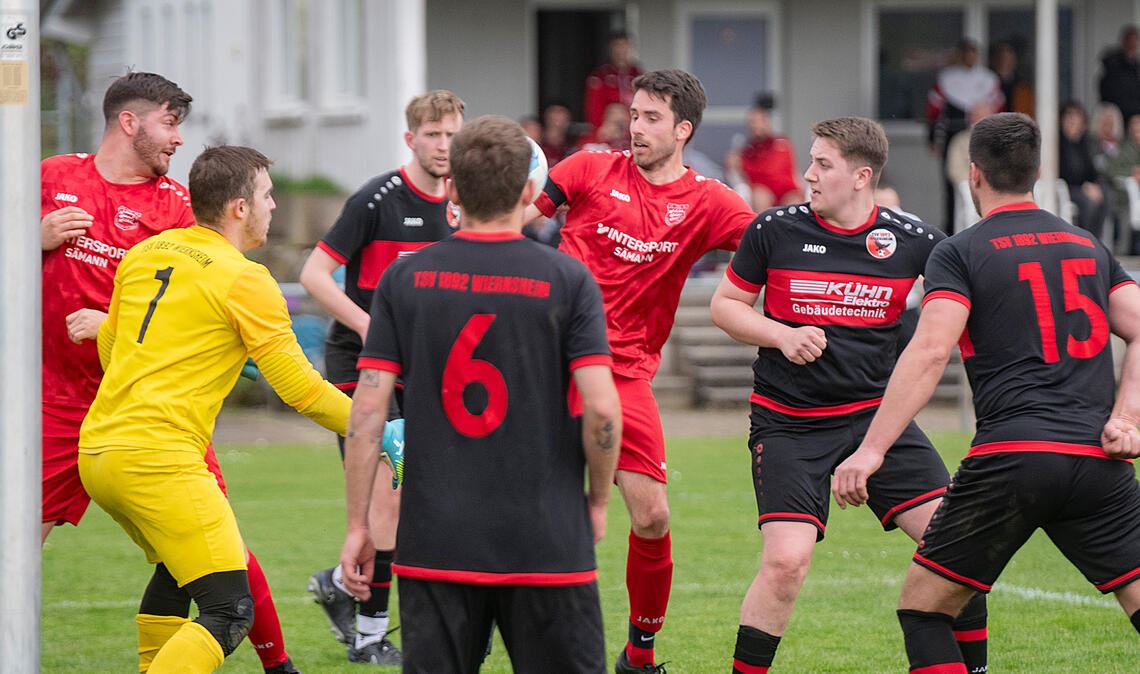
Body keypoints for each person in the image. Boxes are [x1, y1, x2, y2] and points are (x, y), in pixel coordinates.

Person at [833, 111, 1140, 672]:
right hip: (1097, 461)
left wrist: (871, 450)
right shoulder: (1086, 244)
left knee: (924, 610)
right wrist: (1127, 418)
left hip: (1012, 459)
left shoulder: (959, 251)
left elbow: (928, 352)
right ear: (1038, 170)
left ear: (973, 174)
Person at [339, 115, 621, 673]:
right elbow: (603, 408)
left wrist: (359, 526)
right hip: (546, 539)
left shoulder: (405, 279)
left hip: (435, 542)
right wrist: (597, 501)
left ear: (453, 189)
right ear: (528, 190)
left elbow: (368, 411)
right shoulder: (568, 279)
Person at [41, 72, 300, 674]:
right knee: (17, 543)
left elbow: (191, 295)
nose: (179, 139)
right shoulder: (53, 177)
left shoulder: (180, 209)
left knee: (219, 551)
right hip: (57, 399)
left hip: (149, 406)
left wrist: (110, 323)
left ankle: (279, 665)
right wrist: (28, 237)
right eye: (170, 122)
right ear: (129, 122)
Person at [710, 117, 987, 674]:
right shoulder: (775, 230)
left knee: (958, 552)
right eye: (811, 161)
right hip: (789, 423)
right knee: (787, 564)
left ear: (861, 176)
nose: (807, 175)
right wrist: (780, 334)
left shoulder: (916, 242)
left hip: (875, 420)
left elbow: (966, 309)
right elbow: (725, 306)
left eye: (822, 164)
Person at [78, 145, 359, 673]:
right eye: (267, 196)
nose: (273, 206)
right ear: (238, 208)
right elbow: (301, 390)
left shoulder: (148, 252)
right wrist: (373, 427)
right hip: (158, 458)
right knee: (229, 610)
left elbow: (112, 348)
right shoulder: (245, 278)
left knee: (175, 572)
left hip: (99, 452)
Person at [525, 68, 756, 673]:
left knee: (651, 516)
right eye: (634, 114)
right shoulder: (587, 168)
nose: (637, 128)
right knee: (535, 511)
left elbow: (767, 247)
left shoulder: (708, 201)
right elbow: (519, 216)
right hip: (548, 365)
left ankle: (640, 654)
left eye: (652, 118)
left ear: (684, 130)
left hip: (625, 374)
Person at [299, 89, 465, 665]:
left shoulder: (463, 204)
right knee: (389, 496)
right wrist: (373, 327)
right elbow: (315, 275)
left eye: (451, 135)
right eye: (433, 135)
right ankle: (370, 637)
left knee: (403, 504)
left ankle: (340, 585)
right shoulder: (378, 198)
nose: (443, 146)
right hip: (360, 367)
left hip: (421, 369)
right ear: (410, 138)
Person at [927, 39, 1004, 231]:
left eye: (973, 53)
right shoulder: (947, 78)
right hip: (955, 136)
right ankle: (952, 228)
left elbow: (1000, 107)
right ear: (960, 55)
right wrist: (931, 137)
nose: (969, 57)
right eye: (966, 53)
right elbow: (934, 111)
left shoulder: (988, 79)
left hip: (988, 134)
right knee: (952, 188)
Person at [725, 93, 802, 211]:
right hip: (762, 191)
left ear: (767, 121)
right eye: (751, 122)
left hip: (787, 191)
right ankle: (762, 229)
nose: (754, 125)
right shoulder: (749, 149)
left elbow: (772, 169)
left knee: (795, 203)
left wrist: (743, 165)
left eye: (758, 121)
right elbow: (740, 173)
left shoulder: (781, 142)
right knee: (760, 196)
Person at [1060, 101, 1110, 240]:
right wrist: (1085, 187)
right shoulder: (1058, 143)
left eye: (1076, 117)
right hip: (1066, 187)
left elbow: (1093, 171)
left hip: (1084, 187)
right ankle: (1085, 241)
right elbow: (1064, 172)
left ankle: (1096, 240)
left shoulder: (1086, 143)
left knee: (1106, 194)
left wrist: (1094, 185)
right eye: (1068, 116)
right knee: (1087, 202)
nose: (1072, 120)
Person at [585, 32, 643, 132]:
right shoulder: (600, 75)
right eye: (617, 46)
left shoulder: (638, 74)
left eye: (625, 46)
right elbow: (593, 108)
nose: (621, 51)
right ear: (611, 49)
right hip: (607, 131)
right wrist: (599, 130)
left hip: (633, 131)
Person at [1099, 25, 1140, 123]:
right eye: (1130, 41)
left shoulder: (1136, 65)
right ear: (1123, 42)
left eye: (1135, 41)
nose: (1133, 44)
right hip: (1116, 114)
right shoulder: (1113, 64)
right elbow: (1106, 89)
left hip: (1135, 115)